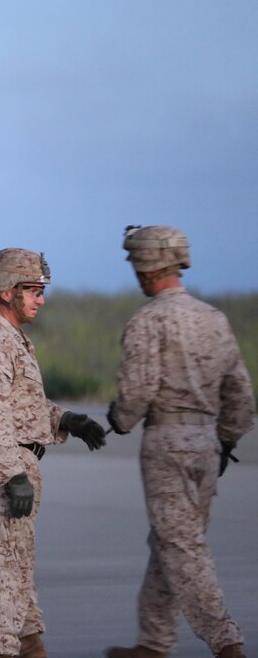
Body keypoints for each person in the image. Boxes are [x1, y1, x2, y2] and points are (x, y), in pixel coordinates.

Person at [104, 226, 254, 658]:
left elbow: (136, 394)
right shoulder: (214, 319)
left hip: (167, 442)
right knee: (170, 542)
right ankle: (153, 642)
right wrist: (224, 441)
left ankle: (227, 644)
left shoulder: (148, 321)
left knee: (182, 548)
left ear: (145, 268)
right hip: (207, 442)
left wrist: (117, 420)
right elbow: (240, 395)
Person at [0, 249, 106, 658]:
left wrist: (66, 419)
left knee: (4, 571)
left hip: (14, 463)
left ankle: (11, 646)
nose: (40, 299)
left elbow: (19, 407)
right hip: (3, 474)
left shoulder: (12, 339)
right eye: (33, 291)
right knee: (1, 574)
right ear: (5, 292)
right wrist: (11, 474)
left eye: (41, 291)